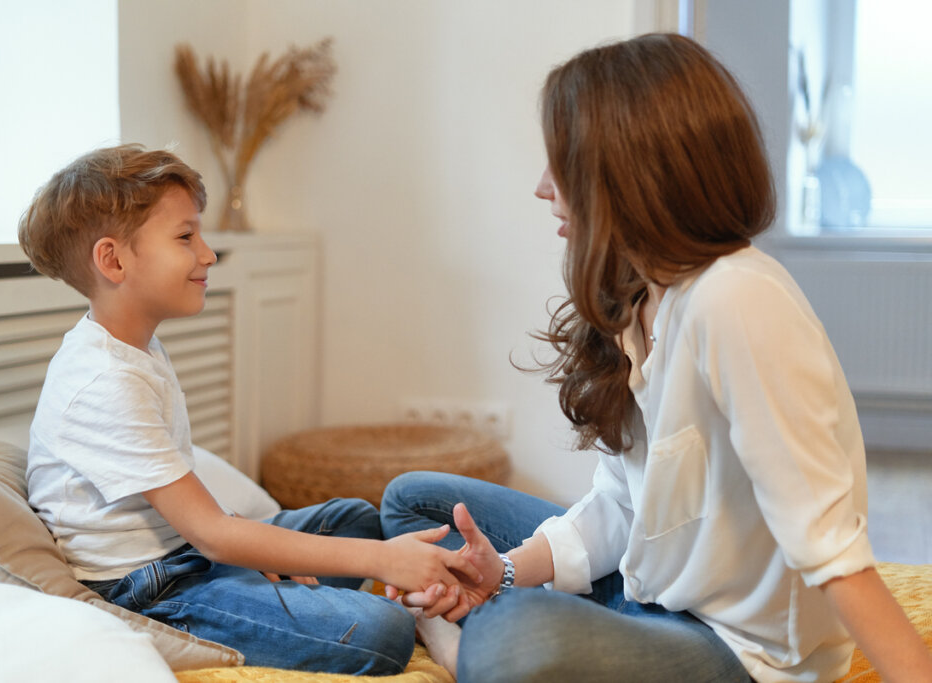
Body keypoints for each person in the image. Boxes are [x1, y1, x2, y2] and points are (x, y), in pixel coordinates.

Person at [380, 33, 932, 682]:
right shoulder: (640, 297)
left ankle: (460, 646)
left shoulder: (736, 298)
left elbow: (831, 545)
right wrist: (499, 569)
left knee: (515, 639)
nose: (541, 188)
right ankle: (491, 624)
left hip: (733, 651)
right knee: (411, 502)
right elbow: (622, 505)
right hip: (646, 593)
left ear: (624, 168)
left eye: (561, 162)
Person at [18, 144, 478, 676]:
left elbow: (199, 519)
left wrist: (262, 551)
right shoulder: (103, 380)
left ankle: (382, 593)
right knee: (380, 630)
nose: (208, 254)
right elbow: (212, 532)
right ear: (114, 260)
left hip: (191, 552)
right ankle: (411, 615)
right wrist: (380, 562)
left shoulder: (137, 349)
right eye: (186, 236)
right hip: (154, 591)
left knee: (356, 519)